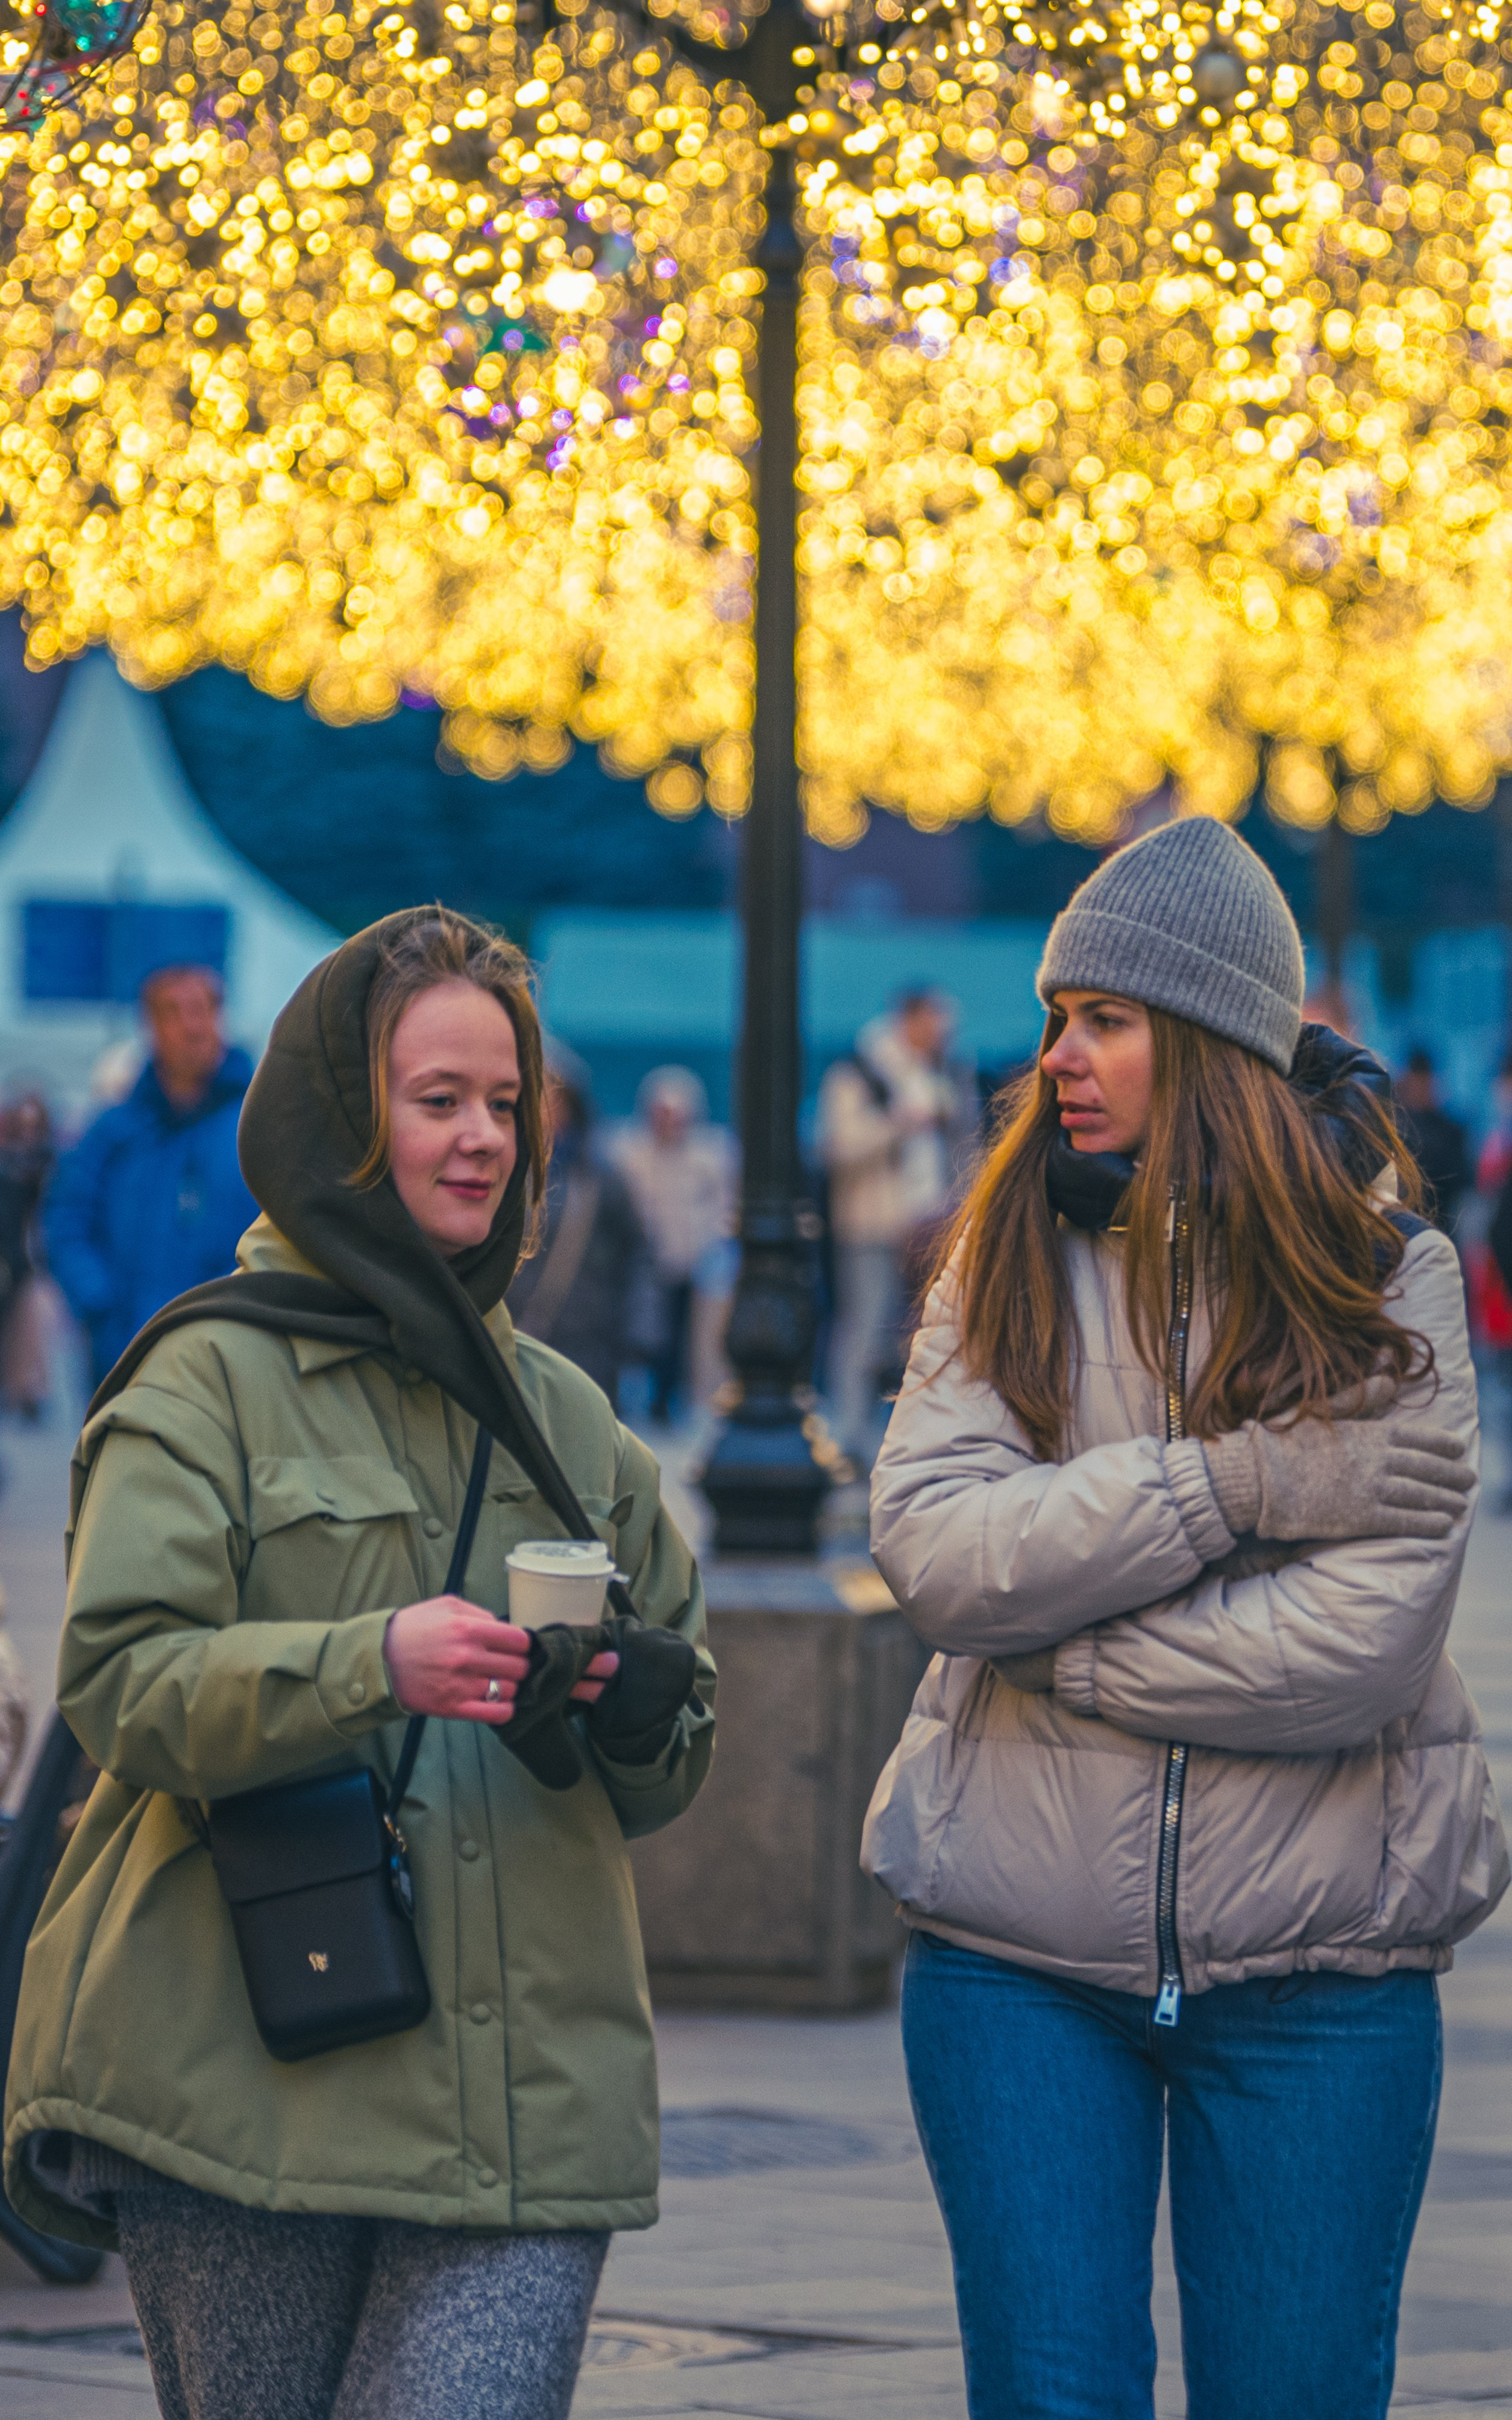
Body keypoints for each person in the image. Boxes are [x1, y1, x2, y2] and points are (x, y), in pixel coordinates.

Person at [4, 907, 715, 2420]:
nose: (481, 1140)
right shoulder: (202, 1380)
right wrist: (365, 1662)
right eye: (435, 1098)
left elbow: (671, 1752)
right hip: (250, 2069)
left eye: (505, 1103)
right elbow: (122, 1682)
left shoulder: (573, 1419)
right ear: (342, 1117)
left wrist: (639, 1705)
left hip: (528, 2104)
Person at [862, 818, 1504, 2420]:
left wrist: (1051, 1639)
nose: (1056, 1058)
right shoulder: (1000, 1246)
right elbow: (937, 1552)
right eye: (1053, 1017)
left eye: (1105, 1019)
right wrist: (1228, 1487)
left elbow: (1356, 1648)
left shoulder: (1386, 1280)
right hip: (1012, 1962)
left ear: (1215, 1042)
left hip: (1321, 1974)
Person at [45, 964, 256, 1384]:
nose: (190, 1026)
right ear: (151, 1026)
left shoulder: (257, 1126)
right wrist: (102, 1308)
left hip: (232, 1356)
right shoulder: (114, 1132)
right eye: (173, 1012)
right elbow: (66, 1221)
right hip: (127, 1355)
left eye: (201, 1010)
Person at [818, 988, 977, 1460]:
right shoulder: (858, 1071)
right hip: (872, 1226)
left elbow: (970, 1143)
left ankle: (908, 1438)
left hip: (933, 1226)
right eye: (935, 1022)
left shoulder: (948, 1070)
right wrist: (900, 1122)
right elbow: (838, 1147)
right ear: (908, 1019)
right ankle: (848, 1436)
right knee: (864, 1331)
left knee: (924, 1336)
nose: (944, 1034)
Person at [507, 1040, 648, 1406]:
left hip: (587, 1344)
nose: (541, 1110)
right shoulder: (497, 1168)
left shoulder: (600, 1179)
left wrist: (639, 1334)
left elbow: (639, 1256)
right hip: (508, 1335)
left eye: (551, 1099)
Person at [610, 1067, 735, 1422]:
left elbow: (724, 1207)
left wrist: (712, 1245)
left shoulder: (710, 1155)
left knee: (684, 1339)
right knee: (642, 1333)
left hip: (690, 1262)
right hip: (642, 1261)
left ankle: (671, 1401)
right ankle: (639, 1398)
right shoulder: (630, 1154)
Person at [1393, 1045, 1470, 1237]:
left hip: (1443, 1224)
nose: (1421, 1087)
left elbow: (1462, 1179)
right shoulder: (1396, 1124)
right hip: (1404, 1225)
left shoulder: (1451, 1130)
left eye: (1425, 1080)